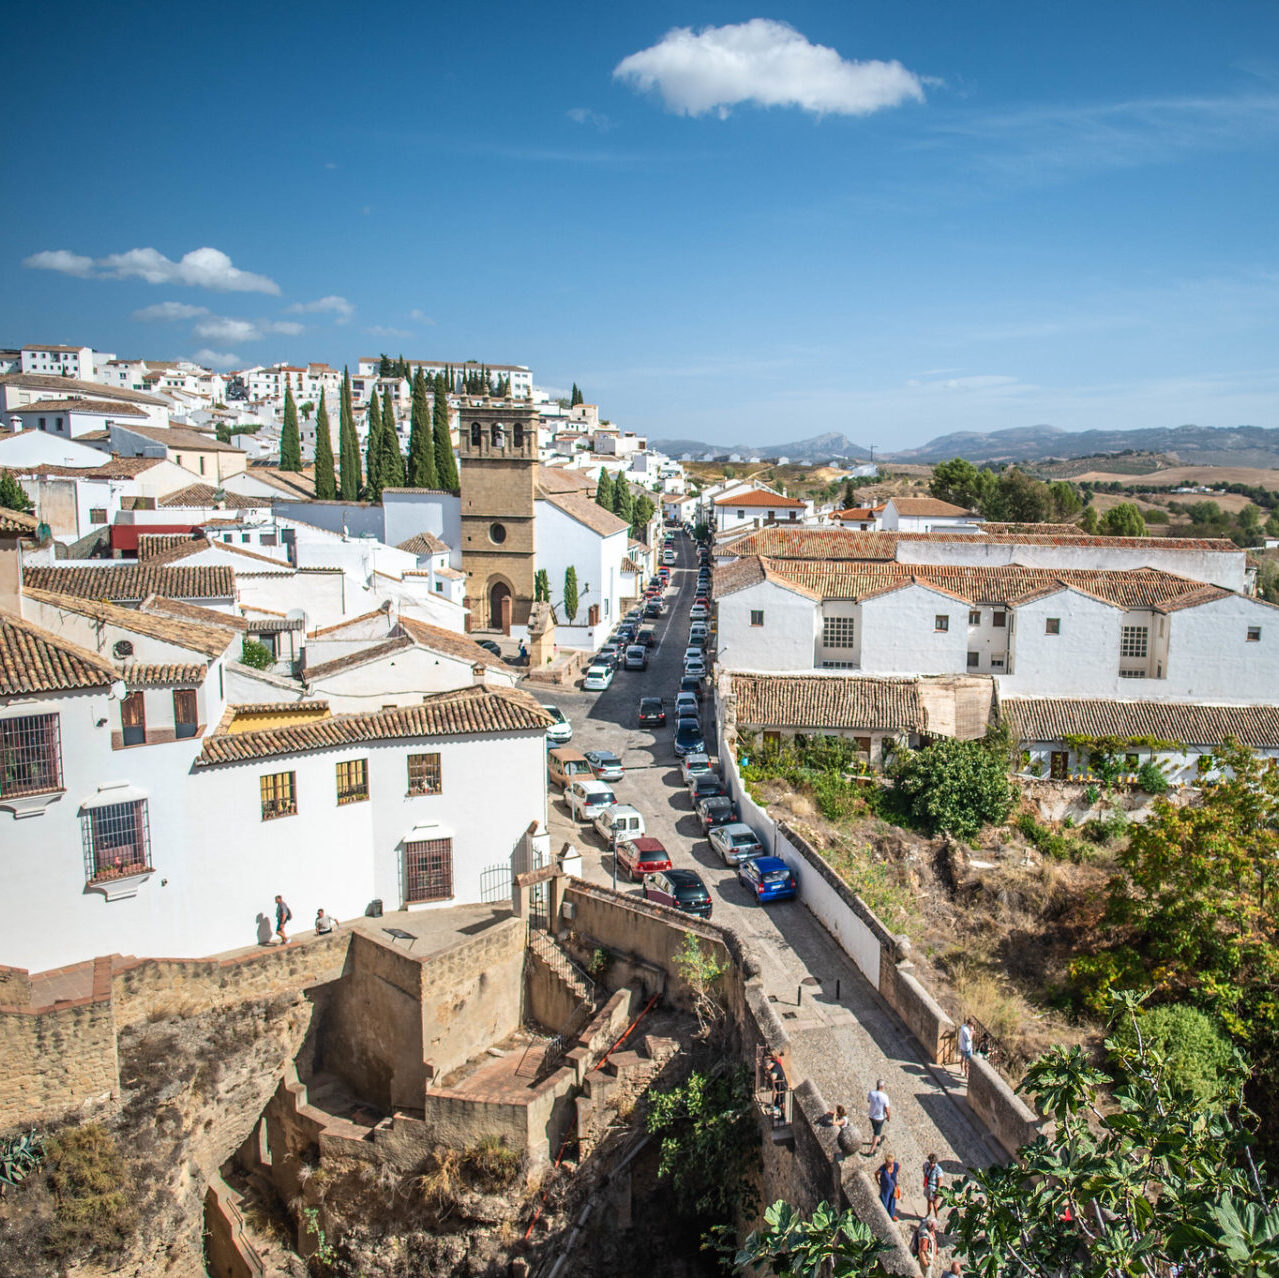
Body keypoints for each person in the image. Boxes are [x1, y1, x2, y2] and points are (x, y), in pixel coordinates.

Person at [867, 1079, 891, 1154]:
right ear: (883, 1086)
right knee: (876, 1134)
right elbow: (887, 1109)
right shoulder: (885, 1097)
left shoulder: (871, 1093)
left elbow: (868, 1101)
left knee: (876, 1130)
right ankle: (871, 1151)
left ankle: (879, 1140)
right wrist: (888, 1117)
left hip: (871, 1115)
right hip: (879, 1118)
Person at [877, 1152, 901, 1221]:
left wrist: (897, 1173)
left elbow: (899, 1166)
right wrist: (878, 1183)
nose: (891, 1164)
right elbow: (876, 1173)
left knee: (892, 1201)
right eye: (889, 1163)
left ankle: (891, 1214)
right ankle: (883, 1216)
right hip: (885, 1187)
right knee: (885, 1201)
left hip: (893, 1186)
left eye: (892, 1163)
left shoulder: (896, 1165)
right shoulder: (883, 1168)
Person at [923, 1152, 943, 1217]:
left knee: (935, 1203)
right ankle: (928, 1215)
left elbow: (939, 1182)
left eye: (933, 1163)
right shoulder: (926, 1166)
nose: (931, 1164)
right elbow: (924, 1172)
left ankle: (936, 1217)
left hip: (934, 1188)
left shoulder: (938, 1170)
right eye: (930, 1162)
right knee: (929, 1201)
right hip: (928, 1186)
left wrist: (938, 1192)